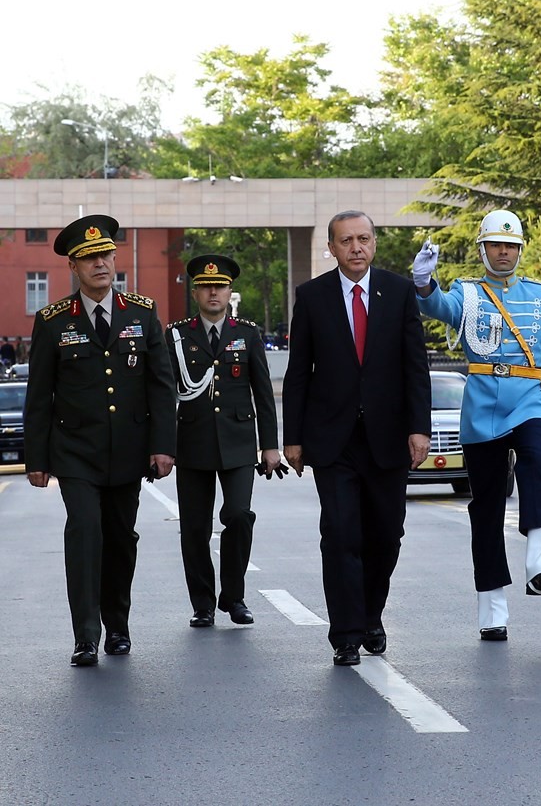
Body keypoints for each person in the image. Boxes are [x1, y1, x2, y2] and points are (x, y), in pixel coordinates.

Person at [412, 209, 541, 641]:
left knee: (534, 466)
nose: (503, 252)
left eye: (511, 246)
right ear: (482, 249)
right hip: (483, 406)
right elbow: (439, 308)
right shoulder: (467, 292)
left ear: (519, 250)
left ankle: (540, 563)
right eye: (495, 245)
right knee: (484, 509)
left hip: (530, 401)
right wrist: (424, 283)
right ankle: (492, 609)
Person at [24, 214, 177, 667]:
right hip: (74, 452)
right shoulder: (53, 321)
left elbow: (161, 385)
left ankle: (119, 626)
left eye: (106, 255)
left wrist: (163, 445)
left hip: (129, 451)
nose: (101, 264)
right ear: (73, 266)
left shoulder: (142, 312)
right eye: (89, 258)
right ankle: (86, 635)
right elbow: (39, 395)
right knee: (85, 534)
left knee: (121, 538)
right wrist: (37, 458)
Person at [282, 211, 432, 666]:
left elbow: (414, 367)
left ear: (375, 243)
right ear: (331, 247)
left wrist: (419, 428)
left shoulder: (400, 292)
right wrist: (293, 437)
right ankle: (346, 634)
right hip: (333, 440)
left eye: (363, 239)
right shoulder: (311, 297)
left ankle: (371, 615)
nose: (356, 248)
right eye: (346, 241)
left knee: (386, 535)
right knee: (341, 534)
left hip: (388, 438)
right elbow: (298, 374)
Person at [165, 254, 283, 629]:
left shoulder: (246, 334)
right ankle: (202, 603)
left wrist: (270, 446)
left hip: (237, 443)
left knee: (238, 516)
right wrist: (162, 446)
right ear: (195, 292)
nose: (213, 291)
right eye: (205, 286)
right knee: (195, 528)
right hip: (193, 443)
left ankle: (233, 596)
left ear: (230, 291)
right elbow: (165, 395)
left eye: (220, 286)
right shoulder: (177, 336)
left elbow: (263, 393)